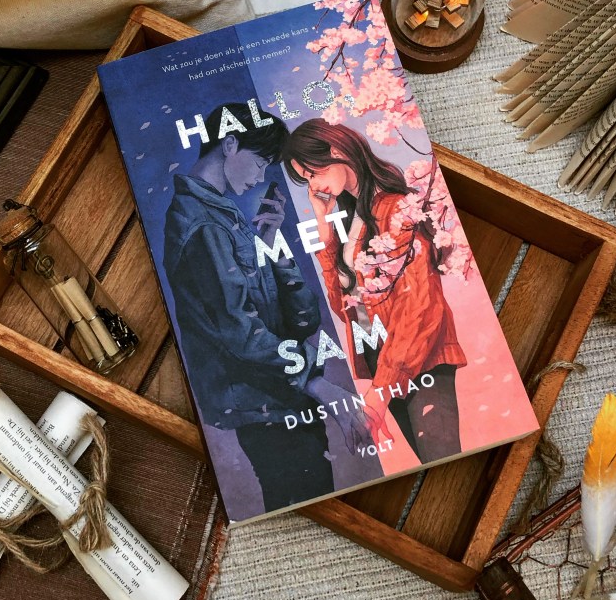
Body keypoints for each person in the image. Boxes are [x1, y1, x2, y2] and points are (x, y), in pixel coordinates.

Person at [163, 102, 369, 514]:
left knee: (318, 504)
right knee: (310, 510)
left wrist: (273, 245)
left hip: (281, 398)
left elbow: (304, 317)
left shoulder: (225, 217)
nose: (261, 177)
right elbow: (241, 335)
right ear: (230, 145)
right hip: (263, 406)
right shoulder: (203, 225)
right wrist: (320, 385)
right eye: (259, 163)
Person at [283, 118, 467, 464]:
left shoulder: (396, 209)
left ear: (336, 150)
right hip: (381, 358)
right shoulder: (353, 216)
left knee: (444, 460)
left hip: (417, 354)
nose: (313, 185)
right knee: (431, 462)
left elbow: (419, 306)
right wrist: (324, 227)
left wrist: (381, 393)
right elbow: (344, 308)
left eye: (312, 172)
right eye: (305, 179)